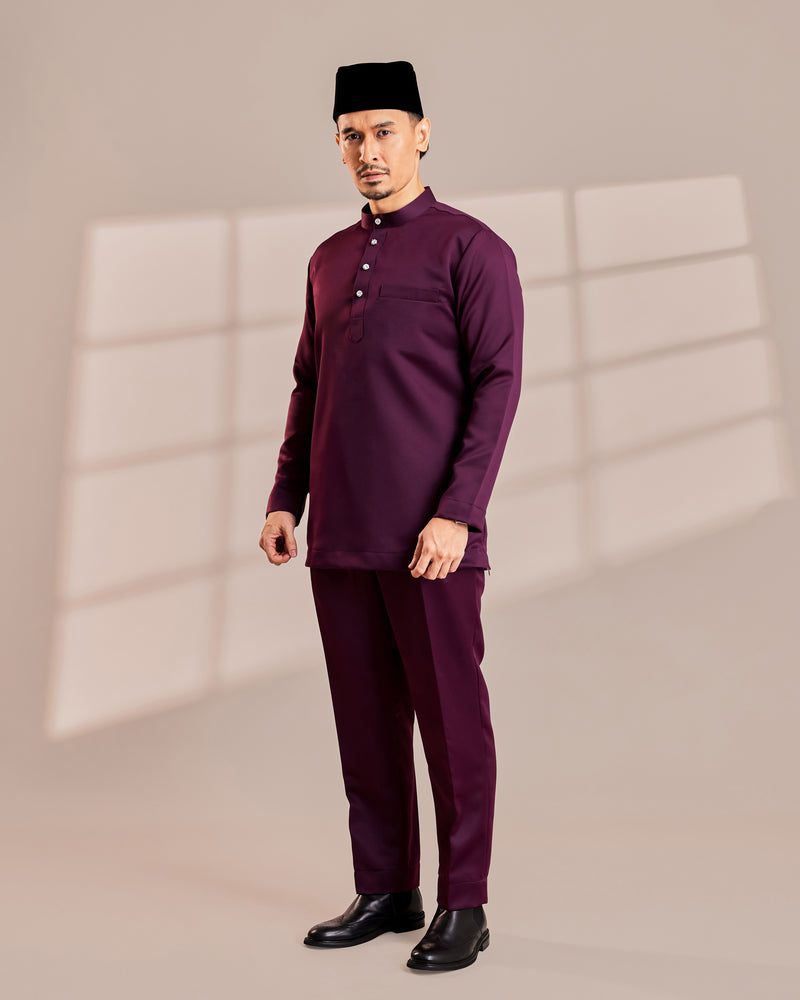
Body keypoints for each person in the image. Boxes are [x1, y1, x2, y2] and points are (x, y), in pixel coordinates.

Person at [259, 59, 524, 973]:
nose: (367, 150)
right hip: (340, 533)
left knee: (452, 726)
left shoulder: (472, 249)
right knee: (365, 723)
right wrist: (285, 497)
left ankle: (464, 902)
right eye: (351, 136)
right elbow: (309, 385)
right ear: (337, 148)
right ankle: (385, 890)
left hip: (431, 541)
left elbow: (498, 385)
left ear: (421, 134)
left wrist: (458, 514)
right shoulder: (329, 258)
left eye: (383, 131)